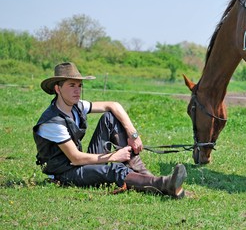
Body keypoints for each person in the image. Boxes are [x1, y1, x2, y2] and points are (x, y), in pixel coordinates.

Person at [32, 62, 187, 198]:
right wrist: (113, 156)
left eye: (79, 85)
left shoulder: (76, 106)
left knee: (110, 118)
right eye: (71, 85)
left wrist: (133, 134)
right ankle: (164, 184)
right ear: (57, 89)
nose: (77, 90)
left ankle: (145, 176)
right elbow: (75, 158)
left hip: (78, 163)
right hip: (65, 173)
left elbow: (113, 105)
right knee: (115, 169)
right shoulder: (53, 122)